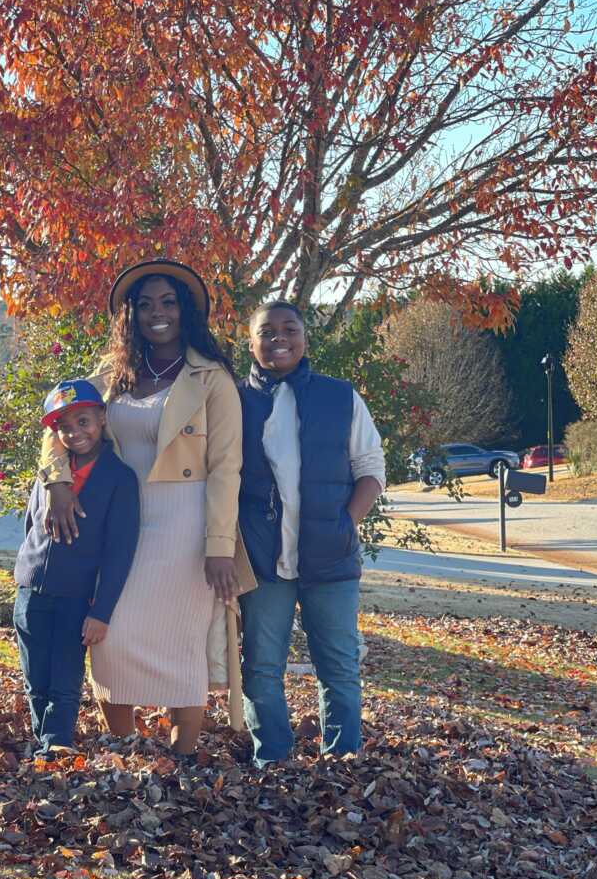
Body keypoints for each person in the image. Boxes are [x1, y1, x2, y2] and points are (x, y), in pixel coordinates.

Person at [39, 259, 250, 755]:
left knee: (182, 642)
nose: (158, 313)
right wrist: (58, 482)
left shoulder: (211, 377)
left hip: (186, 523)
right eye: (145, 304)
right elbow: (55, 426)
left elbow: (226, 466)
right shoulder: (112, 375)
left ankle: (183, 758)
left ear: (186, 311)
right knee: (110, 635)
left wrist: (219, 546)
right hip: (113, 520)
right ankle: (125, 747)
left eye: (169, 302)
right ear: (130, 315)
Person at [238, 300, 385, 766]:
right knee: (261, 667)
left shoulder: (339, 396)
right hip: (262, 559)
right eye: (267, 331)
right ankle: (272, 760)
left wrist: (346, 524)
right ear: (251, 341)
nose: (279, 338)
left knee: (338, 666)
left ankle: (341, 760)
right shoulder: (233, 401)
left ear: (305, 337)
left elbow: (371, 468)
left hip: (331, 557)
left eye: (290, 329)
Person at [13, 379, 140, 758]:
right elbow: (30, 526)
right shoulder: (50, 474)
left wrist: (101, 611)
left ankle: (58, 745)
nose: (75, 433)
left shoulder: (120, 479)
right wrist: (26, 572)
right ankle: (44, 744)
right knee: (35, 679)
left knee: (64, 680)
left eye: (83, 421)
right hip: (30, 592)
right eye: (64, 427)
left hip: (76, 597)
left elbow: (120, 552)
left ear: (101, 418)